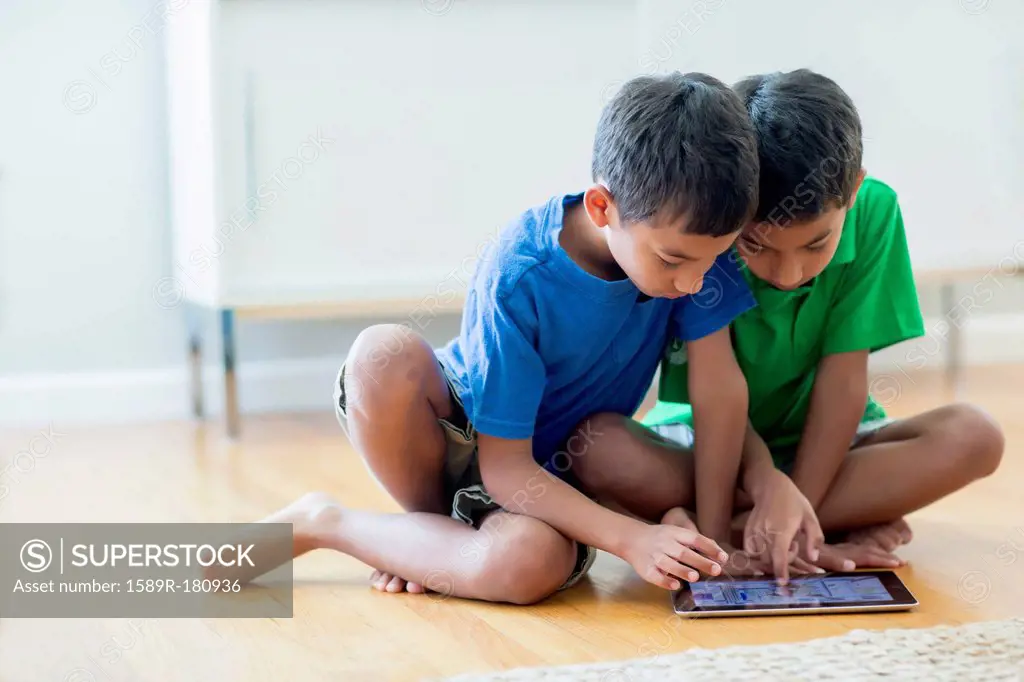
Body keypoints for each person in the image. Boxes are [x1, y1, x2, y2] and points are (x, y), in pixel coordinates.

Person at [230, 72, 772, 605]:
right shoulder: (521, 270)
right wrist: (633, 539)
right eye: (673, 261)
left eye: (712, 259)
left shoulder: (698, 239)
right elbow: (504, 467)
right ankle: (334, 523)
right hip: (474, 440)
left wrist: (716, 534)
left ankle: (424, 550)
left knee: (524, 564)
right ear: (602, 207)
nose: (694, 282)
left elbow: (719, 395)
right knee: (380, 355)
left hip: (556, 477)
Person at [578, 68, 1004, 582]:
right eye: (756, 245)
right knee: (597, 448)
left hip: (831, 446)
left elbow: (843, 381)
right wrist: (764, 485)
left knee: (976, 436)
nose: (788, 273)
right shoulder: (710, 221)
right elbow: (719, 396)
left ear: (852, 193)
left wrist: (798, 502)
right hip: (708, 451)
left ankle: (764, 533)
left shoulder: (874, 211)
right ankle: (804, 525)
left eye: (816, 244)